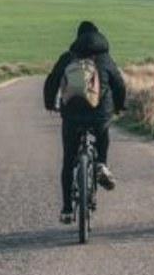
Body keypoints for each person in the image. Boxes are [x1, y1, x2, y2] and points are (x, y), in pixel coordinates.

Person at [43, 20, 126, 223]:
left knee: (68, 160)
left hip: (71, 114)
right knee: (102, 133)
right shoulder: (105, 59)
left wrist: (49, 104)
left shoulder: (68, 58)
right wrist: (118, 106)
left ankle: (67, 209)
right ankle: (101, 164)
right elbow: (119, 84)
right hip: (99, 113)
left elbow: (52, 80)